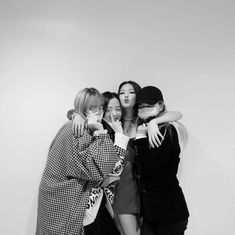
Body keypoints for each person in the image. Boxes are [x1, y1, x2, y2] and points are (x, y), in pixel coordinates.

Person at [71, 81, 183, 235]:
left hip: (144, 189)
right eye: (122, 92)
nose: (126, 96)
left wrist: (156, 121)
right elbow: (82, 110)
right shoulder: (107, 125)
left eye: (131, 92)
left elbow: (177, 114)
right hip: (121, 189)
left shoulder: (144, 119)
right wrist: (76, 115)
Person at [36, 87, 129, 235]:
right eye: (93, 107)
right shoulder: (81, 129)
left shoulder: (80, 125)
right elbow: (99, 168)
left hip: (83, 201)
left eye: (101, 107)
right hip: (70, 201)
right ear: (83, 109)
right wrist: (104, 133)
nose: (102, 112)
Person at [133, 86, 189, 235]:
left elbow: (148, 169)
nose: (144, 109)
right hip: (152, 213)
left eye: (149, 106)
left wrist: (140, 138)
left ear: (161, 106)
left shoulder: (168, 131)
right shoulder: (146, 127)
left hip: (169, 213)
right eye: (141, 106)